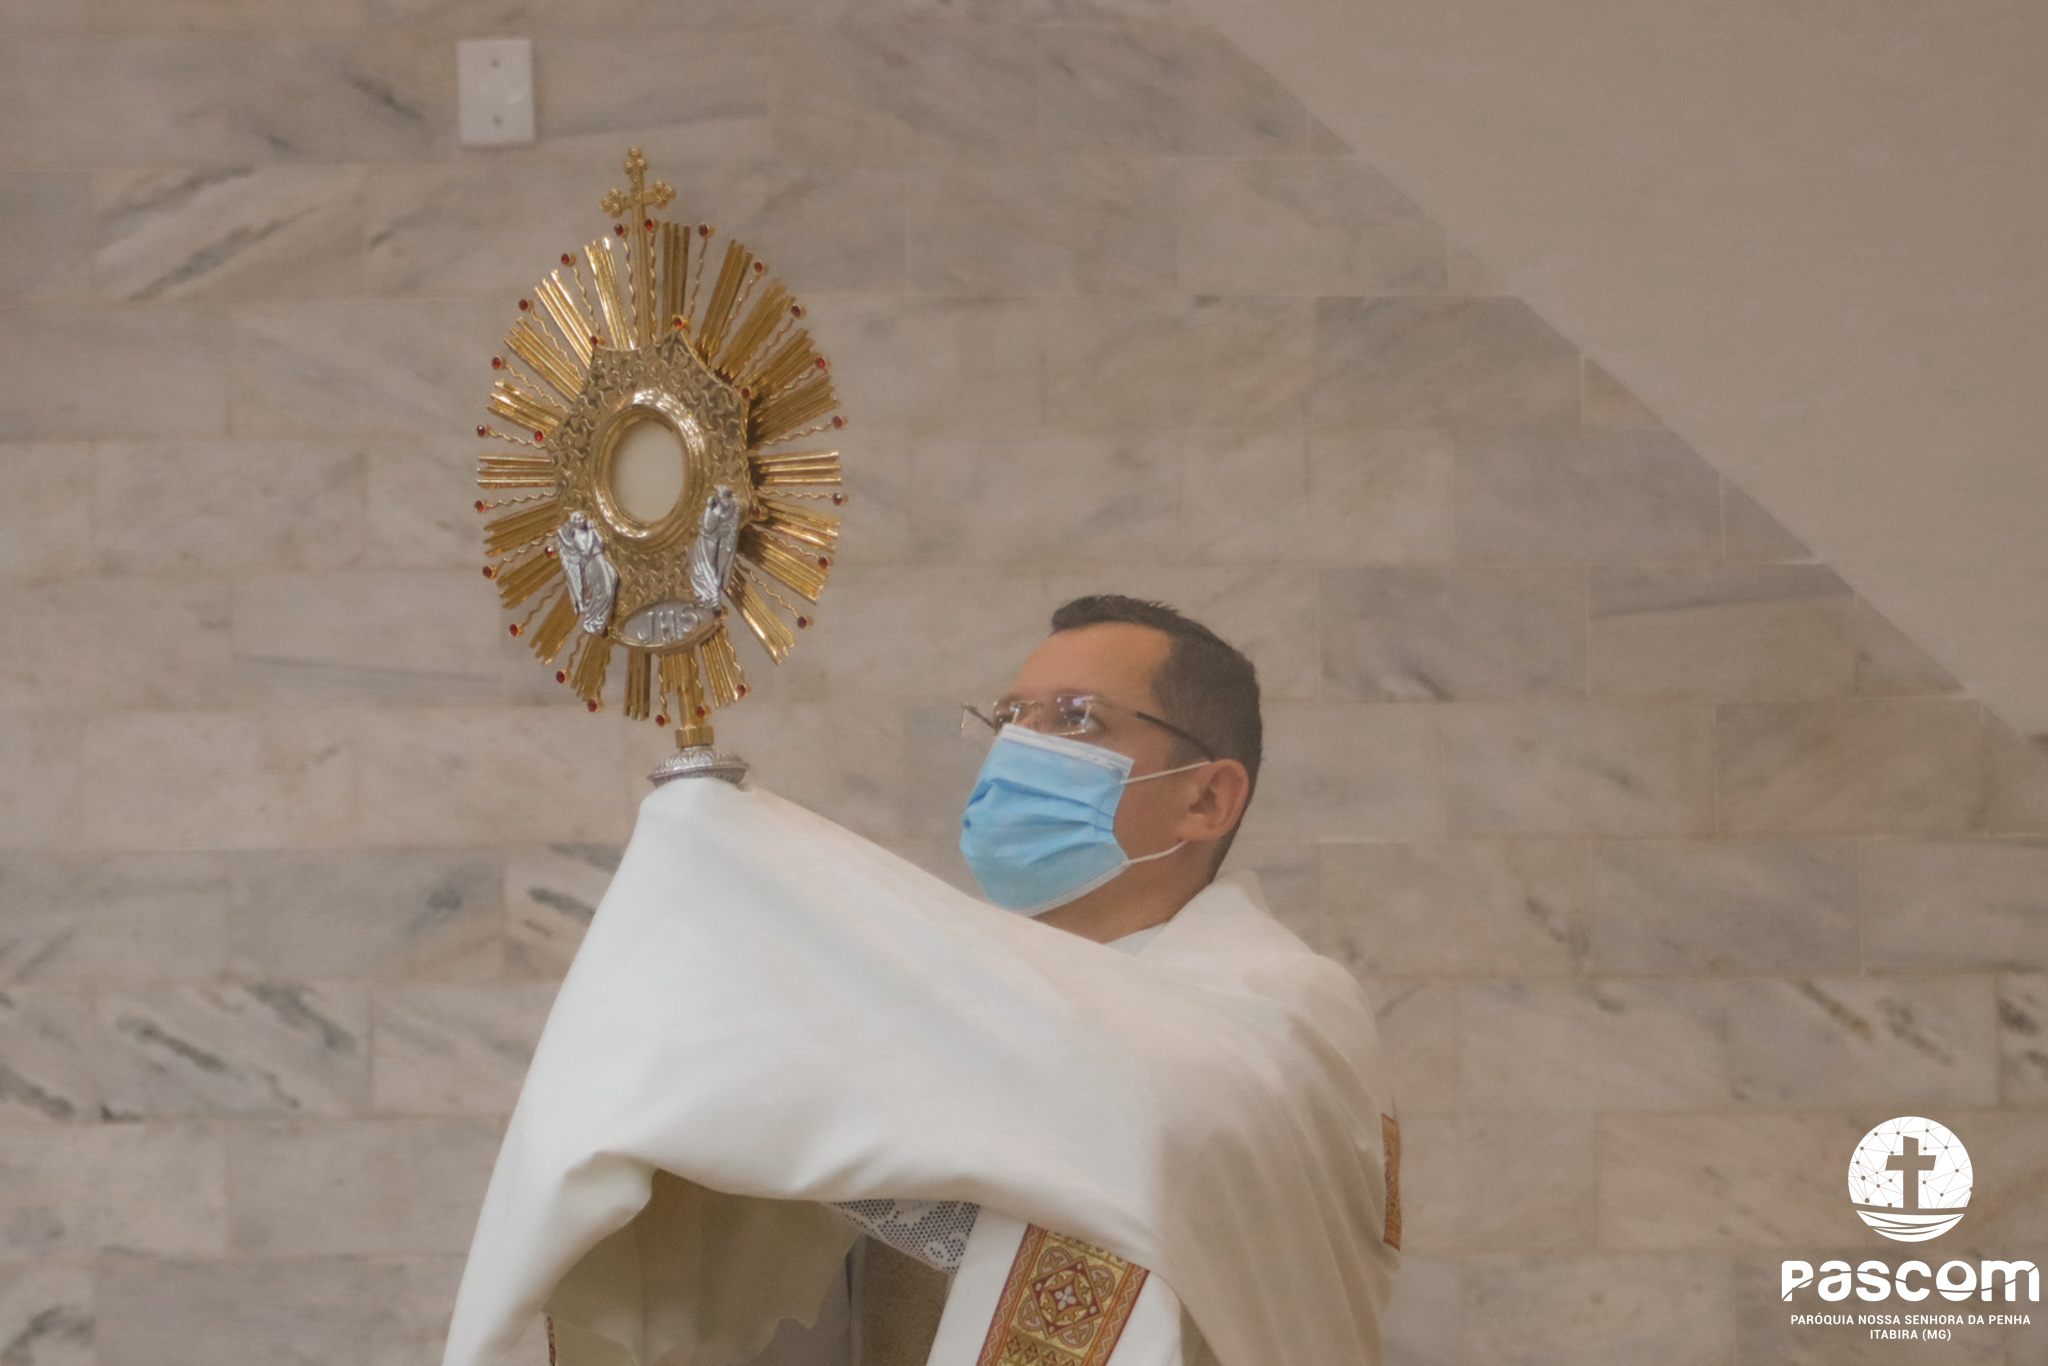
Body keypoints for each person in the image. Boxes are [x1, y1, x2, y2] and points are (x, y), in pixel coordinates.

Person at [442, 596, 1399, 1366]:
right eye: (1009, 717)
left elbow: (1135, 1147)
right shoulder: (959, 1005)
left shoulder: (1281, 1006)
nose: (1019, 747)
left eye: (1076, 720)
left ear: (1207, 798)